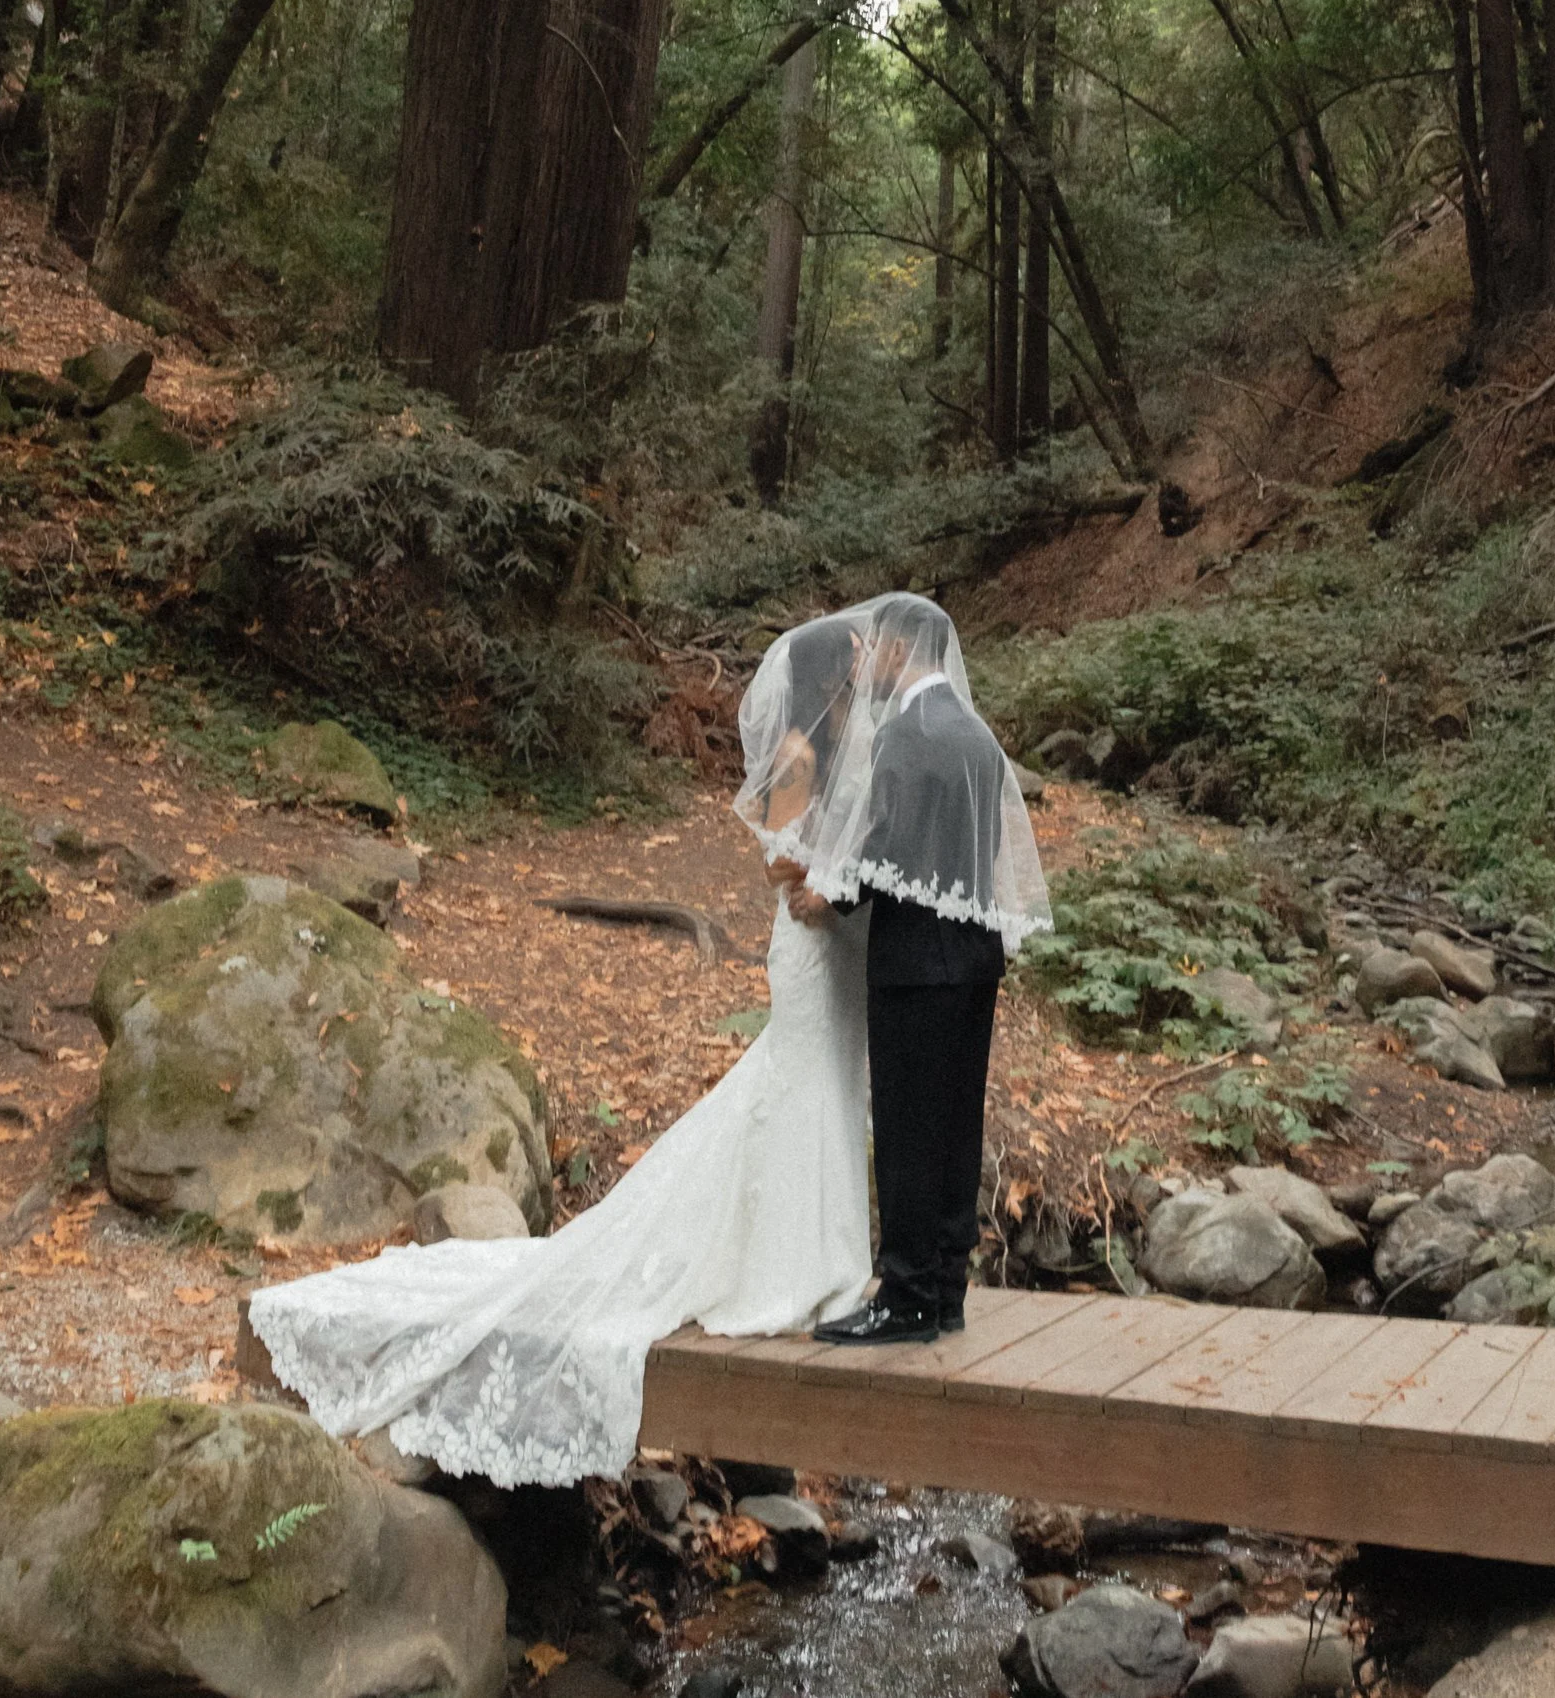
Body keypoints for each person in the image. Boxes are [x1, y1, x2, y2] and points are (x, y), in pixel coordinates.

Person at [245, 613, 873, 1484]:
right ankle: (783, 1270)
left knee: (826, 1090)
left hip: (842, 945)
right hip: (807, 942)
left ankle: (824, 1259)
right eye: (846, 666)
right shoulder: (799, 753)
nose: (858, 675)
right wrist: (825, 888)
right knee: (793, 1087)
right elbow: (777, 857)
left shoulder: (850, 753)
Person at [778, 592, 1050, 1346]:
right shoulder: (976, 735)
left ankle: (902, 1297)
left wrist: (830, 896)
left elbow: (884, 847)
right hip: (974, 959)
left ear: (901, 650)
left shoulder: (902, 736)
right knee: (956, 1126)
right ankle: (945, 1289)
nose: (874, 661)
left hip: (913, 965)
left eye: (881, 648)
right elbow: (980, 849)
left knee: (905, 1128)